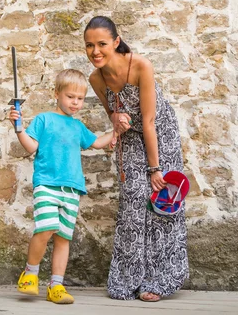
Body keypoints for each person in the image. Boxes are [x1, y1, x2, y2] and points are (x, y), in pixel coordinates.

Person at [84, 16, 189, 302]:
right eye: (90, 45)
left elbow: (150, 120)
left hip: (159, 132)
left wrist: (155, 169)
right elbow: (113, 114)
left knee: (160, 200)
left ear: (116, 42)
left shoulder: (140, 65)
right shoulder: (95, 78)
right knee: (133, 197)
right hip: (130, 137)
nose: (95, 51)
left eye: (102, 44)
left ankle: (160, 280)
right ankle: (128, 279)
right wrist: (114, 117)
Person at [8, 68, 118, 305]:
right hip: (47, 185)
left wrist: (115, 130)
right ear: (57, 93)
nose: (75, 103)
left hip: (72, 189)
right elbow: (30, 147)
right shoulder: (44, 119)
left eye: (79, 99)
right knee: (46, 228)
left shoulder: (77, 127)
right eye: (70, 97)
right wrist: (18, 128)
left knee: (63, 237)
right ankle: (30, 273)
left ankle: (56, 286)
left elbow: (98, 143)